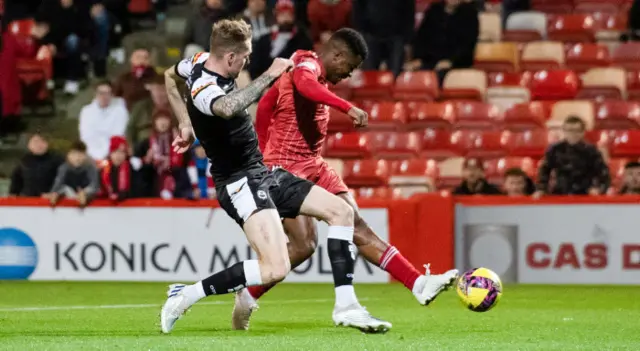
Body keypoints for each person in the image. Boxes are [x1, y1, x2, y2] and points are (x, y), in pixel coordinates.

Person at [160, 19, 389, 334]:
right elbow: (227, 107)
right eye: (245, 57)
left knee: (341, 211)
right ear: (230, 58)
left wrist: (184, 124)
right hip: (239, 183)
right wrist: (270, 74)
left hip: (262, 172)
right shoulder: (203, 87)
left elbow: (169, 76)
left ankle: (347, 306)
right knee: (275, 268)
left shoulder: (196, 62)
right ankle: (186, 294)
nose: (247, 62)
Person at [245, 28, 458, 329]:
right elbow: (304, 86)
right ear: (337, 55)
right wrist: (346, 107)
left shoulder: (316, 74)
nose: (349, 74)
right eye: (350, 66)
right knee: (304, 245)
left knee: (355, 223)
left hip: (314, 165)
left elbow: (267, 106)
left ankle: (418, 284)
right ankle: (248, 291)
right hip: (285, 168)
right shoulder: (305, 64)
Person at [534, 116, 610, 197]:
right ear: (564, 131)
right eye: (569, 130)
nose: (573, 134)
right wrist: (541, 189)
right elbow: (544, 170)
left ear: (583, 132)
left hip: (585, 195)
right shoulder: (555, 149)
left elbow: (603, 173)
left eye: (577, 131)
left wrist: (598, 189)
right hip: (560, 194)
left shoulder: (591, 151)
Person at [79, 80, 129, 161]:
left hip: (113, 153)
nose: (104, 96)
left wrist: (105, 154)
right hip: (91, 152)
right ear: (95, 94)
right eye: (101, 93)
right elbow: (85, 136)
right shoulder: (86, 111)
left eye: (107, 93)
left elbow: (118, 135)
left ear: (112, 95)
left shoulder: (120, 111)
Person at [46, 141, 99, 207]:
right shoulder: (63, 168)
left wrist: (84, 192)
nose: (77, 158)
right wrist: (54, 193)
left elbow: (94, 186)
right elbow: (58, 184)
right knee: (64, 188)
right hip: (69, 196)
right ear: (68, 155)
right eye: (74, 154)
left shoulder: (91, 167)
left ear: (85, 155)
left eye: (80, 154)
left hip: (87, 196)